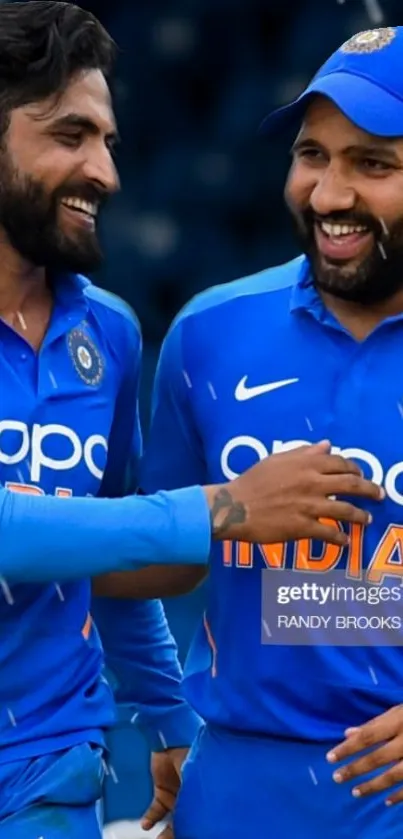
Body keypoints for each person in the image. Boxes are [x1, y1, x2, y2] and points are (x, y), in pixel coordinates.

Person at [0, 4, 380, 839]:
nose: (105, 172)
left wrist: (166, 719)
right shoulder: (212, 333)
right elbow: (95, 537)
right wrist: (224, 508)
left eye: (109, 142)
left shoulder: (110, 333)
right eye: (71, 136)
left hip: (49, 777)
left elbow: (115, 536)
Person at [140, 24, 403, 839]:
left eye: (373, 164)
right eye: (311, 155)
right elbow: (151, 563)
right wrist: (161, 711)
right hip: (237, 791)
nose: (327, 195)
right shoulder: (207, 332)